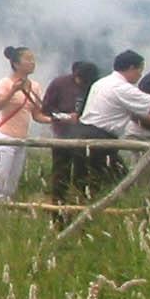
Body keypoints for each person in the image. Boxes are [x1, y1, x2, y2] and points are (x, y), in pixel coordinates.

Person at [73, 49, 150, 179]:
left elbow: (137, 114)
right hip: (100, 137)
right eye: (140, 70)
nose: (140, 75)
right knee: (113, 180)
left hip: (84, 132)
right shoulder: (122, 88)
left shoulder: (101, 83)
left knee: (91, 178)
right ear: (132, 68)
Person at [0, 45, 46, 205]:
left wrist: (56, 119)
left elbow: (37, 114)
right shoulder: (5, 83)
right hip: (4, 138)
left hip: (21, 140)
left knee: (10, 187)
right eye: (28, 59)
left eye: (33, 60)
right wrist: (13, 91)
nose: (32, 63)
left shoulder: (35, 87)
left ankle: (1, 216)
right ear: (16, 64)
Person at [41, 59, 103, 202]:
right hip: (63, 135)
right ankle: (58, 208)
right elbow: (47, 109)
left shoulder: (94, 86)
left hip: (86, 137)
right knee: (61, 174)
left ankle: (80, 204)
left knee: (83, 175)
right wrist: (66, 117)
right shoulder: (59, 84)